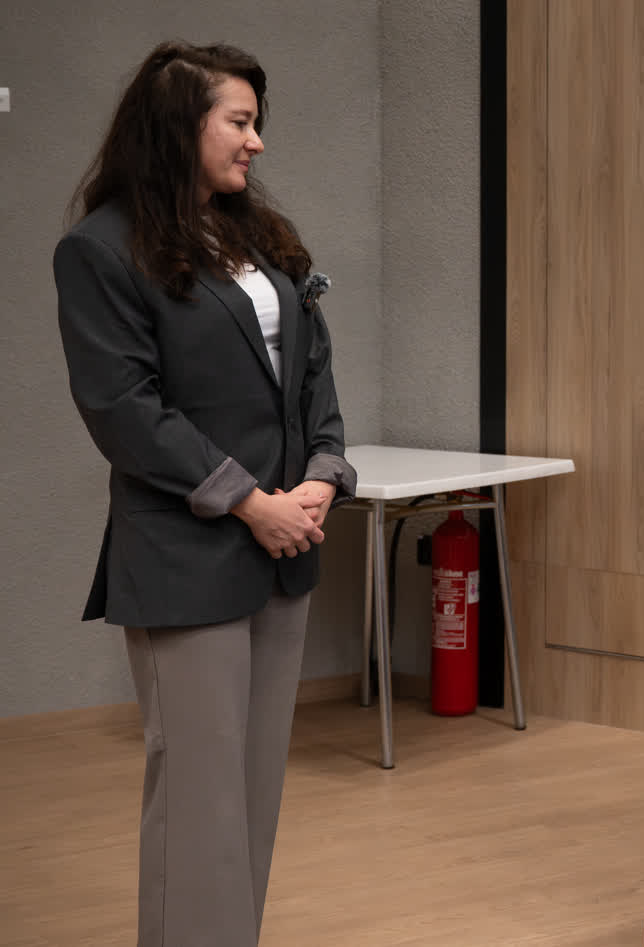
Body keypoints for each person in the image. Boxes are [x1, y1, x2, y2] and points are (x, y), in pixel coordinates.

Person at [54, 41, 355, 947]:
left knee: (252, 800)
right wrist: (251, 502)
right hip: (187, 559)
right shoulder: (99, 250)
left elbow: (312, 372)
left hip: (285, 552)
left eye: (258, 123)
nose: (257, 142)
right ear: (178, 125)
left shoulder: (261, 238)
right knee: (200, 805)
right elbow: (125, 410)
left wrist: (323, 474)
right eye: (240, 121)